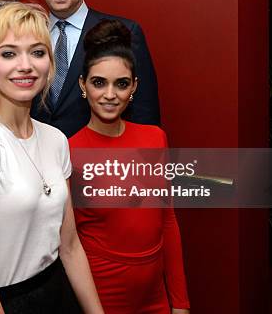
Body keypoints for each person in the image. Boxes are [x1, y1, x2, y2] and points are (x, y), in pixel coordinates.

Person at [0, 2, 104, 313]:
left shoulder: (56, 140)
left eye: (37, 52)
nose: (25, 65)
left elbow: (70, 246)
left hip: (58, 291)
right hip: (6, 301)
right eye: (8, 53)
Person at [69, 19, 190, 313]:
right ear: (83, 85)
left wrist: (181, 303)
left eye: (121, 83)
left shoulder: (154, 139)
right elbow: (69, 244)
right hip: (102, 295)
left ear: (134, 87)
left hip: (155, 296)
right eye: (99, 83)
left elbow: (168, 222)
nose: (110, 94)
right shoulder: (69, 151)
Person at [32, 0, 160, 138]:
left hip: (102, 158)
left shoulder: (124, 32)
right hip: (37, 155)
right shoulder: (29, 35)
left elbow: (144, 111)